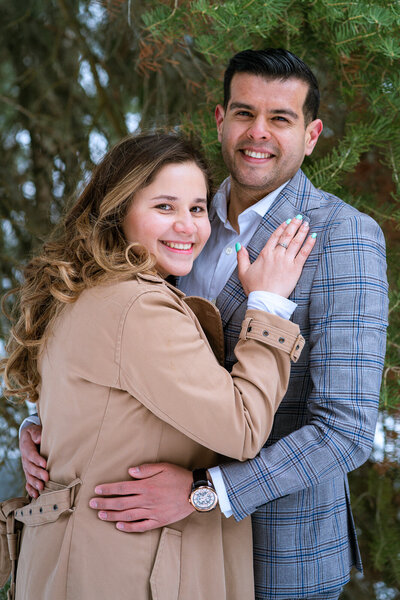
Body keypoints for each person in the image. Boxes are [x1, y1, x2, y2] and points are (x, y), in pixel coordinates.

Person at [19, 48, 389, 600]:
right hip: (152, 552)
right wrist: (50, 429)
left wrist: (206, 492)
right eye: (244, 113)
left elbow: (345, 429)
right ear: (221, 119)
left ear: (311, 135)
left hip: (280, 552)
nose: (257, 133)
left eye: (280, 119)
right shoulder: (177, 220)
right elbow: (122, 353)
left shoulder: (343, 238)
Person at [3, 132, 315, 600]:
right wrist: (268, 305)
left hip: (77, 559)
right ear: (117, 211)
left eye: (196, 209)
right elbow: (243, 428)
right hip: (127, 567)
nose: (188, 226)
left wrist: (39, 425)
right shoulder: (137, 307)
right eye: (164, 207)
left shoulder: (83, 291)